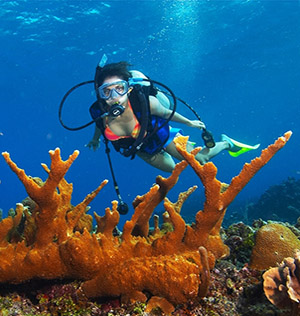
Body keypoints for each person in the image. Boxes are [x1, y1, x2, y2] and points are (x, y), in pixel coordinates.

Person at [86, 61, 259, 173]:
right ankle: (163, 152)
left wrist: (189, 122)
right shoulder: (100, 112)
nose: (114, 96)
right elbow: (99, 126)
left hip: (162, 136)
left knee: (200, 160)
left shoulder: (145, 102)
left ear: (128, 88)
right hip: (140, 149)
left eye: (119, 88)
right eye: (106, 91)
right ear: (99, 94)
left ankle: (227, 143)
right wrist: (95, 140)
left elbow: (166, 113)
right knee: (172, 169)